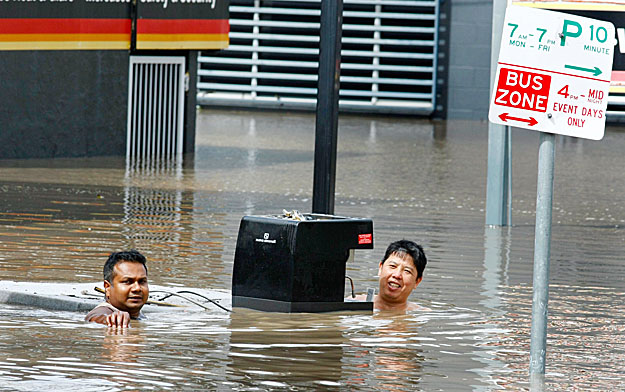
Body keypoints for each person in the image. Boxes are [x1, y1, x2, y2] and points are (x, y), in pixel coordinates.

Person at [85, 250, 149, 327]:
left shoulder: (139, 315)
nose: (137, 288)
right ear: (107, 287)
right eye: (127, 281)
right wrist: (109, 320)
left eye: (142, 281)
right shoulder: (104, 312)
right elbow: (95, 317)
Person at [374, 240, 427, 312]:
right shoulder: (355, 303)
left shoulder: (421, 315)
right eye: (393, 266)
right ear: (380, 268)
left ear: (417, 281)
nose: (397, 275)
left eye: (407, 271)